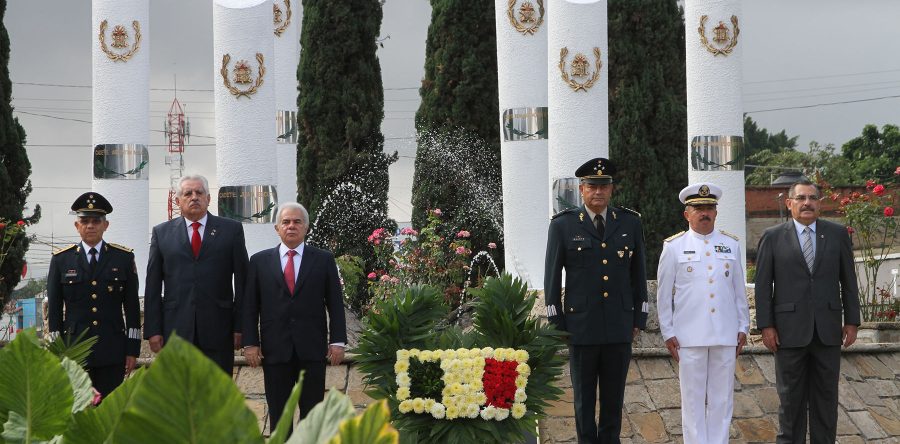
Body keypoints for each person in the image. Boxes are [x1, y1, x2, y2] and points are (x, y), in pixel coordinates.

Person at [544, 157, 649, 444]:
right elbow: (552, 279)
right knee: (583, 401)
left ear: (612, 189)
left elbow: (639, 276)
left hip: (619, 326)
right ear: (581, 189)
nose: (598, 192)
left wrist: (639, 318)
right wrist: (557, 321)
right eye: (592, 186)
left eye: (604, 186)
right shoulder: (563, 226)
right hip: (581, 327)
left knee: (614, 402)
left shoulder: (629, 222)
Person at [754, 179, 861, 443]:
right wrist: (766, 325)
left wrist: (852, 321)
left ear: (820, 203)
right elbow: (763, 285)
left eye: (813, 198)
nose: (807, 203)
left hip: (827, 331)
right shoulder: (773, 236)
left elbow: (848, 281)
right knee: (790, 403)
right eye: (801, 198)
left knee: (826, 401)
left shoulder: (837, 235)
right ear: (789, 203)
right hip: (788, 333)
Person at [656, 183, 750, 444]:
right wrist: (668, 332)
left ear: (716, 212)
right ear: (687, 214)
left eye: (709, 207)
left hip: (725, 333)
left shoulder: (730, 244)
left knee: (722, 399)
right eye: (698, 208)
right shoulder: (673, 247)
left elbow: (738, 290)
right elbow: (663, 296)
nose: (704, 212)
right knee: (693, 400)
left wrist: (744, 326)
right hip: (689, 336)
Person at [242, 202, 347, 428]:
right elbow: (250, 306)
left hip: (312, 351)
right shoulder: (259, 261)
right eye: (286, 222)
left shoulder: (323, 259)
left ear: (306, 227)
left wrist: (337, 341)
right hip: (275, 351)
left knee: (312, 417)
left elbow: (335, 304)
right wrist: (250, 343)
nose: (291, 226)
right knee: (280, 417)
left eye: (297, 222)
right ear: (277, 228)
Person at [144, 174, 249, 374]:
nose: (194, 197)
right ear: (178, 201)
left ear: (208, 199)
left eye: (199, 193)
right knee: (179, 397)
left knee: (217, 397)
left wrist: (240, 326)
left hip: (219, 329)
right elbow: (153, 285)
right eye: (188, 193)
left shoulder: (231, 230)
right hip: (176, 330)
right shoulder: (161, 233)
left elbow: (243, 282)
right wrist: (153, 330)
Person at [47, 192, 140, 398]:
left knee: (110, 410)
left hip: (112, 351)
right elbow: (54, 311)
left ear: (105, 225)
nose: (90, 226)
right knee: (78, 412)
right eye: (85, 221)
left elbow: (132, 308)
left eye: (96, 221)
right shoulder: (61, 260)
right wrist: (58, 351)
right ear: (76, 226)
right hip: (75, 353)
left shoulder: (123, 258)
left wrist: (132, 349)